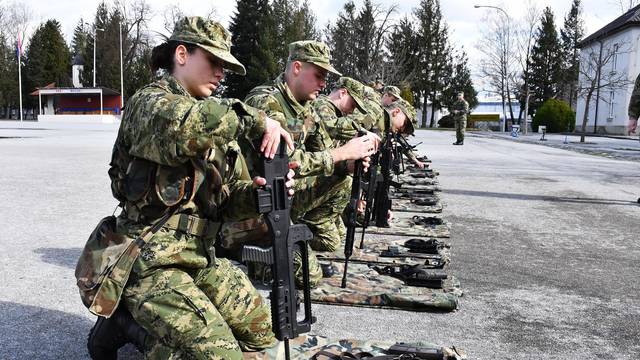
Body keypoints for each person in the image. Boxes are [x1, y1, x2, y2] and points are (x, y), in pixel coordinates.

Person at [80, 17, 296, 359]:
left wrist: (263, 196)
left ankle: (151, 324)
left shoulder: (217, 126)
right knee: (219, 355)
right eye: (214, 62)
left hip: (200, 258)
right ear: (182, 54)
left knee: (261, 333)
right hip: (150, 261)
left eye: (225, 66)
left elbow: (225, 202)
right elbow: (183, 130)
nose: (221, 73)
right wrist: (259, 120)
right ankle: (128, 325)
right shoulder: (150, 104)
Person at [232, 41, 378, 285]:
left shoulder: (307, 108)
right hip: (253, 206)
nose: (324, 84)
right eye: (319, 75)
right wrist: (341, 154)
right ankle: (247, 256)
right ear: (297, 67)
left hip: (284, 199)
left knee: (341, 179)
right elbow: (284, 162)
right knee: (309, 275)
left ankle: (295, 235)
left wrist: (349, 163)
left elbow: (322, 153)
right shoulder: (266, 101)